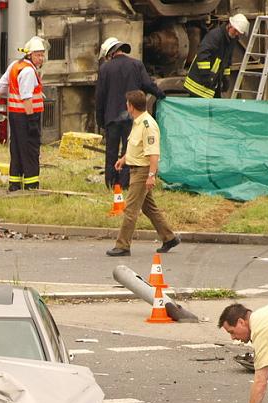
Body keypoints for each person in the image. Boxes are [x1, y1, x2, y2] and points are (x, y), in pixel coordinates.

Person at [106, 90, 180, 256]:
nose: (126, 106)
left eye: (127, 104)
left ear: (131, 107)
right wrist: (124, 159)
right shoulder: (138, 122)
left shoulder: (148, 125)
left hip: (142, 171)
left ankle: (122, 245)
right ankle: (169, 238)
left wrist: (151, 176)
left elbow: (153, 153)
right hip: (135, 168)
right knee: (149, 208)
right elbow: (136, 146)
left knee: (130, 210)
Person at [96, 36, 165, 190]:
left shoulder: (104, 69)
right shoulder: (136, 64)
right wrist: (161, 95)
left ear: (110, 54)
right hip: (132, 116)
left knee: (111, 151)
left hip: (111, 117)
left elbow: (100, 97)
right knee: (129, 150)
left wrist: (100, 120)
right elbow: (148, 84)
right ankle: (125, 183)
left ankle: (111, 183)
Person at [0, 36, 47, 191]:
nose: (41, 58)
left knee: (16, 148)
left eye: (42, 54)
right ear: (29, 55)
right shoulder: (29, 71)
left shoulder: (15, 66)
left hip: (15, 116)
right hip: (28, 115)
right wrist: (31, 120)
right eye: (38, 55)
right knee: (31, 150)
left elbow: (3, 83)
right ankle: (31, 185)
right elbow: (27, 97)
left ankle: (15, 183)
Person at [183, 14, 249, 98]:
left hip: (212, 84)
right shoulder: (215, 35)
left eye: (239, 33)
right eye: (235, 31)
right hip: (198, 84)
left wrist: (225, 78)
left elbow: (227, 61)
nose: (236, 34)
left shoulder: (231, 40)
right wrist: (206, 76)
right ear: (230, 25)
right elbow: (202, 55)